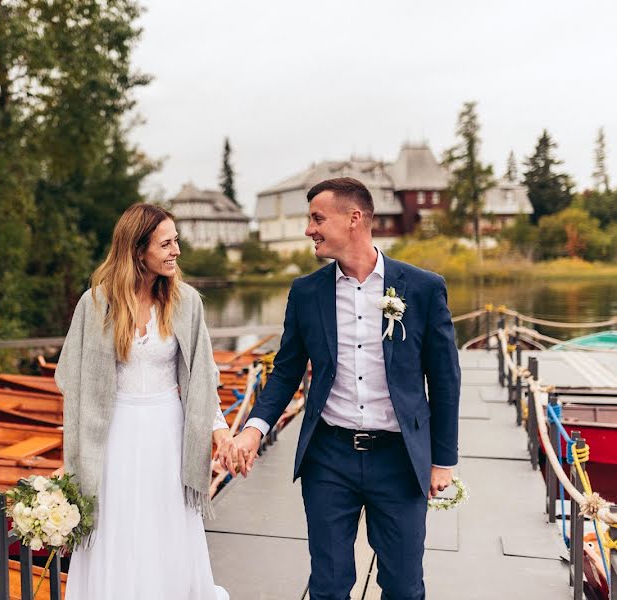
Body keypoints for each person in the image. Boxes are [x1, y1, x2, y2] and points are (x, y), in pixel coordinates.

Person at [221, 177, 460, 600]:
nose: (309, 229)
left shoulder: (422, 288)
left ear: (354, 219)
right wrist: (253, 429)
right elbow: (286, 371)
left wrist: (442, 460)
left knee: (404, 586)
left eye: (317, 218)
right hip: (329, 458)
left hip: (401, 459)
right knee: (328, 586)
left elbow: (444, 379)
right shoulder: (306, 292)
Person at [55, 203, 242, 600]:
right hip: (113, 433)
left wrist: (220, 433)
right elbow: (73, 382)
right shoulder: (95, 303)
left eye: (177, 242)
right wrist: (71, 457)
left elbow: (201, 380)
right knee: (117, 525)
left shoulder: (186, 302)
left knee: (165, 523)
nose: (176, 251)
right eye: (166, 243)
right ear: (138, 250)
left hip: (168, 432)